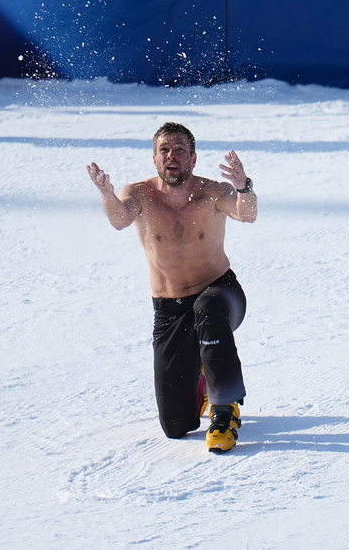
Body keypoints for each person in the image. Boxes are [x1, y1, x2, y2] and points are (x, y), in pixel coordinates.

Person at [86, 122, 257, 453]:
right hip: (170, 307)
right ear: (154, 159)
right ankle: (203, 379)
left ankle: (226, 409)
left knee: (207, 310)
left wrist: (244, 186)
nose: (171, 156)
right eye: (164, 150)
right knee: (176, 426)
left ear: (193, 158)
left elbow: (246, 214)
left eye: (180, 149)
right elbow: (120, 219)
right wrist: (107, 194)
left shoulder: (213, 192)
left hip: (222, 294)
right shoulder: (139, 194)